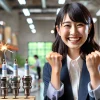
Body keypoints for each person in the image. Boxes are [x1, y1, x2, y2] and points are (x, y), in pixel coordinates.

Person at [43, 2, 100, 100]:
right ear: (59, 30)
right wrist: (56, 71)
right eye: (67, 25)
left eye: (80, 25)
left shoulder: (98, 62)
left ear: (89, 28)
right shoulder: (49, 67)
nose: (73, 32)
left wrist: (94, 72)